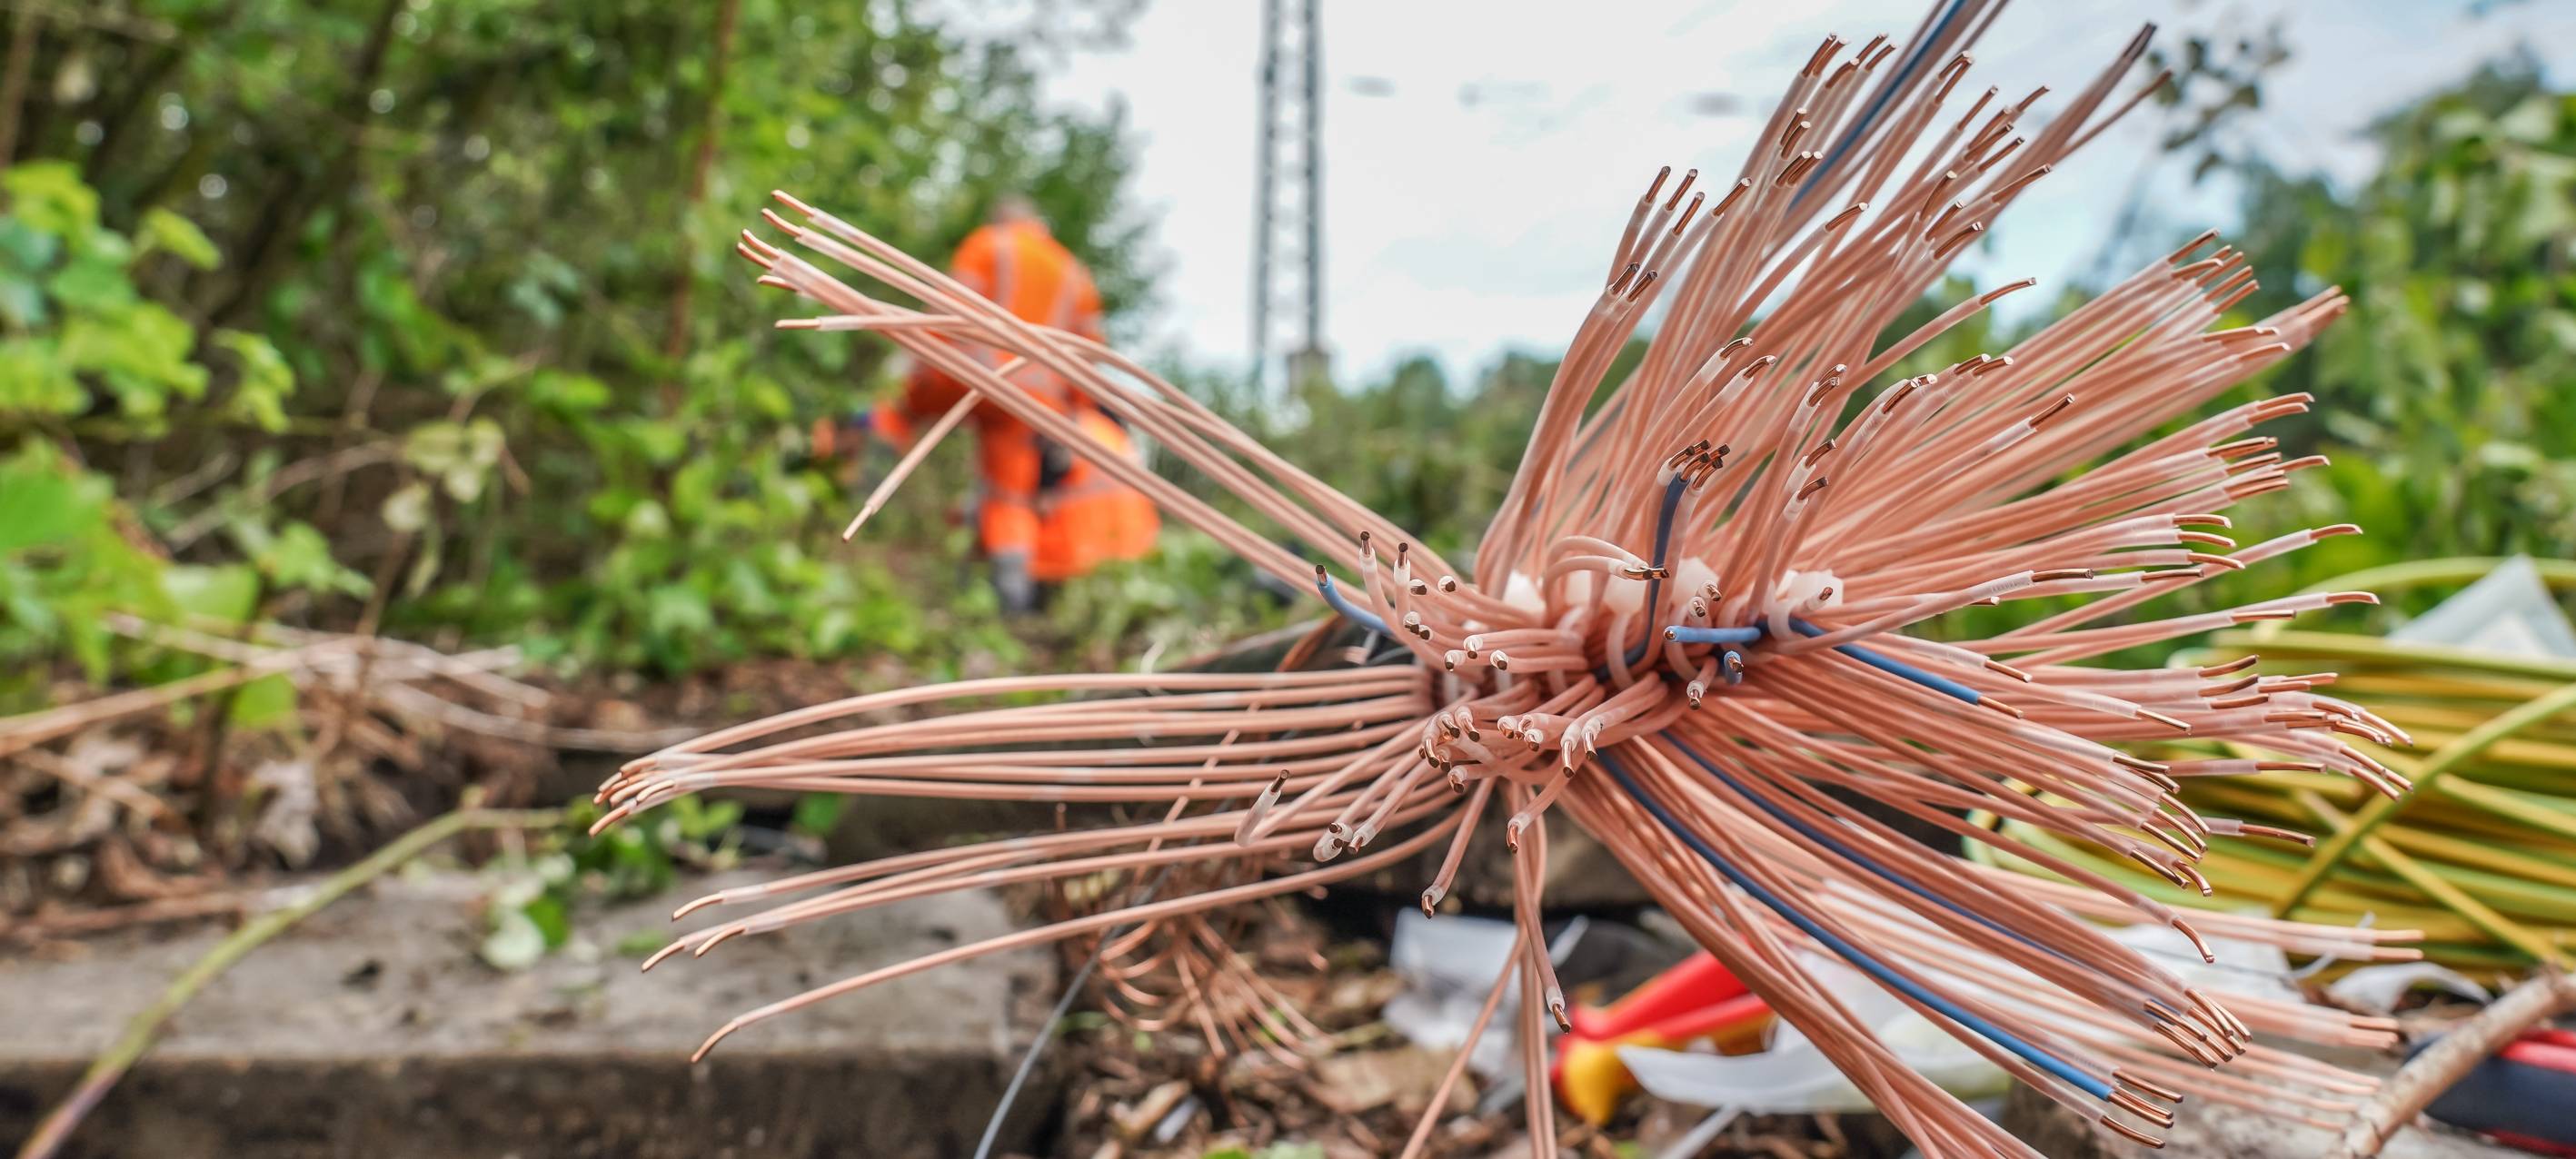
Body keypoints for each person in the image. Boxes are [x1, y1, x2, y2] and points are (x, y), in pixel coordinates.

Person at [812, 195, 1159, 612]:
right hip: (1032, 400)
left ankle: (853, 498)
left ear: (1002, 220)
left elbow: (944, 311)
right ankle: (1013, 602)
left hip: (964, 375)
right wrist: (1073, 412)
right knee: (1009, 500)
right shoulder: (1074, 272)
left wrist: (917, 382)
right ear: (1040, 227)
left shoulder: (988, 244)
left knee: (894, 411)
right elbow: (1089, 353)